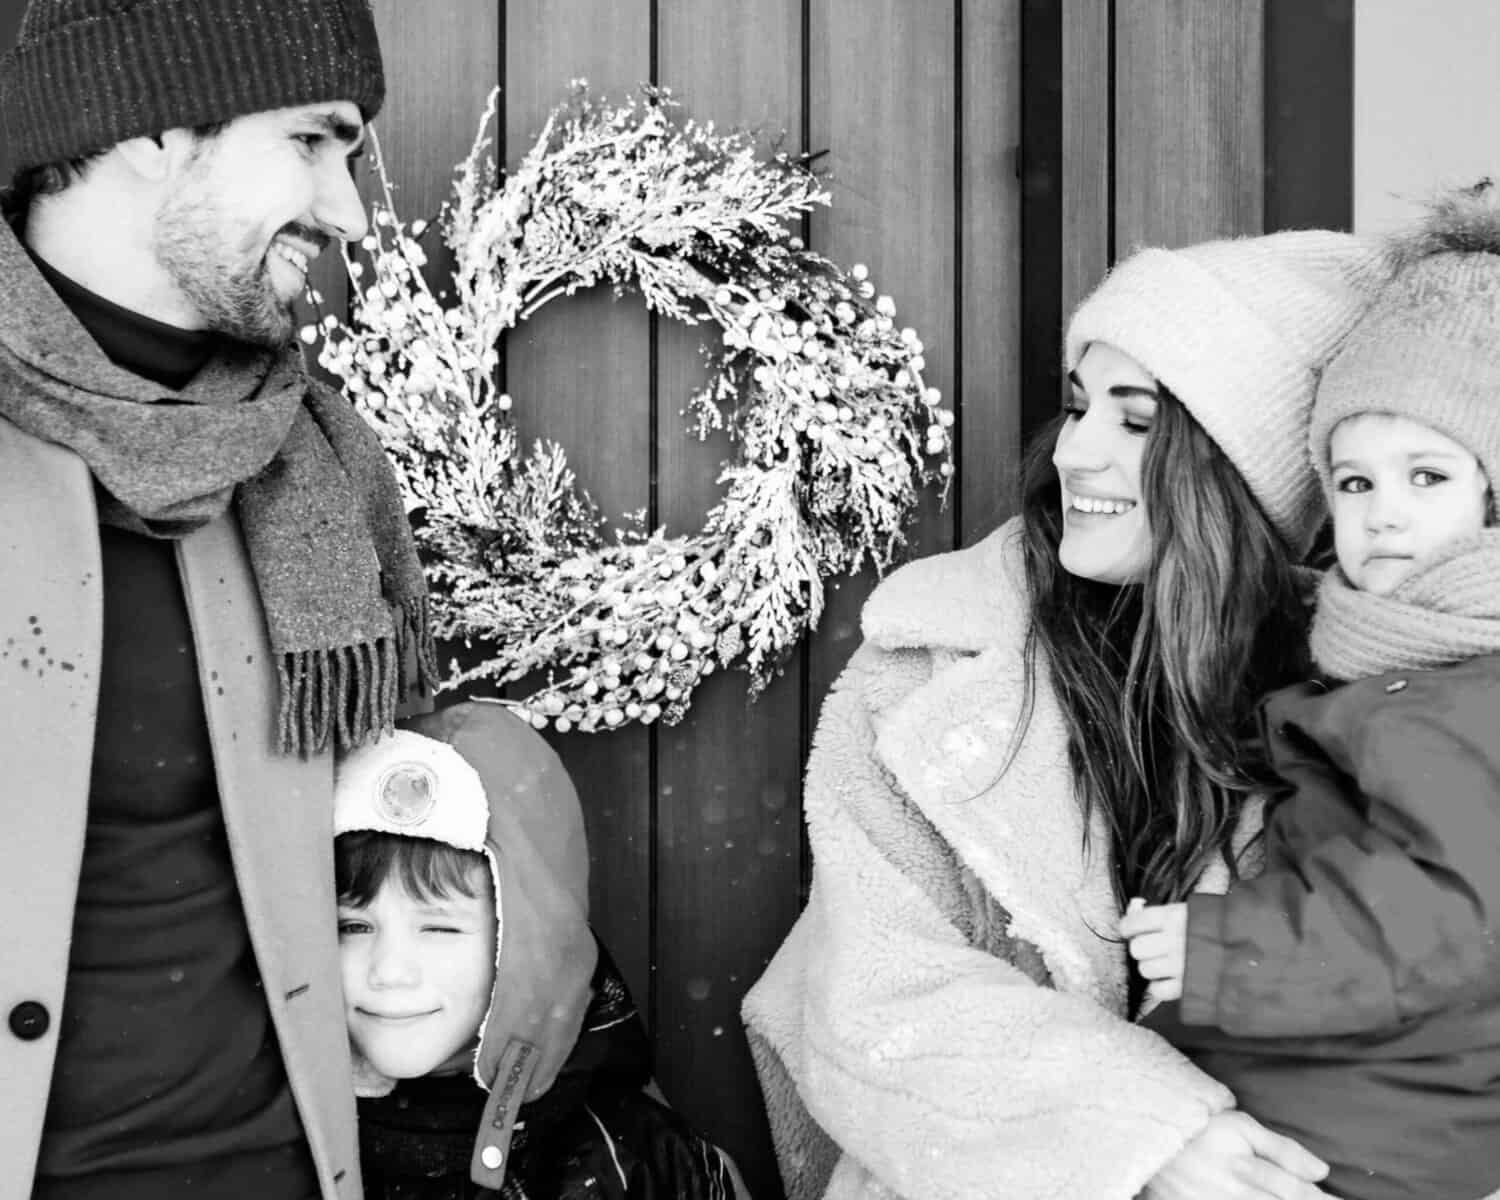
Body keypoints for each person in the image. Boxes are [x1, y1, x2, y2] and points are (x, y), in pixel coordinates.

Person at [742, 230, 1383, 1200]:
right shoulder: (934, 672)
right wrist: (1136, 1133)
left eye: (1137, 424)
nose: (1074, 450)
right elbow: (869, 994)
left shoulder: (1378, 713)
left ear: (1243, 475)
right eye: (1081, 407)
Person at [0, 3, 434, 1198]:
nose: (347, 210)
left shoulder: (309, 461)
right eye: (310, 141)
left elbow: (395, 774)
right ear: (146, 127)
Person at [1122, 184, 1500, 1200]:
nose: (1383, 514)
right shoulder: (1398, 660)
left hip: (1371, 1132)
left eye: (1429, 478)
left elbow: (1451, 919)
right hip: (1346, 1093)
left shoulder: (1471, 691)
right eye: (1355, 481)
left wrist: (1226, 955)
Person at [334, 701, 745, 1200]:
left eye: (440, 929)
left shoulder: (647, 1168)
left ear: (529, 945)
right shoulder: (264, 1140)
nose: (390, 971)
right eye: (353, 926)